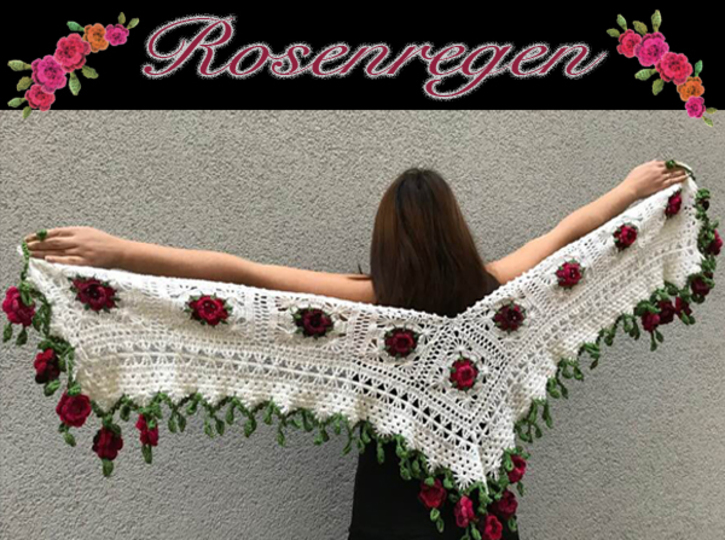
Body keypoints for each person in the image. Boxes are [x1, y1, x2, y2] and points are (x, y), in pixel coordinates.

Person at [23, 160, 688, 539]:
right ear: (456, 231)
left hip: (387, 511)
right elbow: (569, 233)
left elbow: (241, 275)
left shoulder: (362, 306)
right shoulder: (498, 292)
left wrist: (119, 253)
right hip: (478, 509)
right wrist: (631, 191)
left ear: (386, 242)